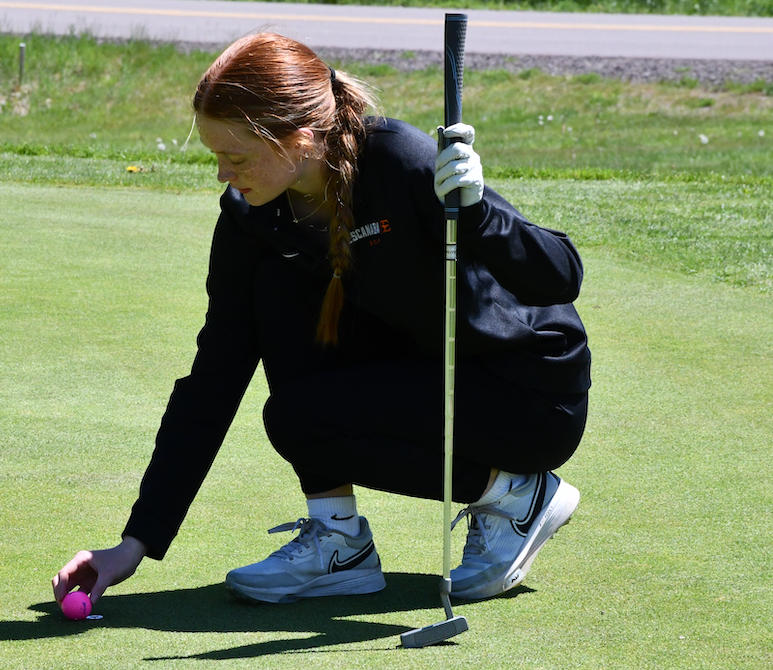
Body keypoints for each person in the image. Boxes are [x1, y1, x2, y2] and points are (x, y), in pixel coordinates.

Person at [52, 32, 591, 608]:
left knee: (297, 418)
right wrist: (135, 542)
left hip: (524, 394)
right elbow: (214, 377)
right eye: (216, 157)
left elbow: (561, 276)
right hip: (423, 373)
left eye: (235, 157)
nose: (222, 175)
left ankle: (516, 496)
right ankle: (338, 542)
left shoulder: (398, 160)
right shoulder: (251, 220)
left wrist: (479, 214)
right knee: (275, 290)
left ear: (300, 139)